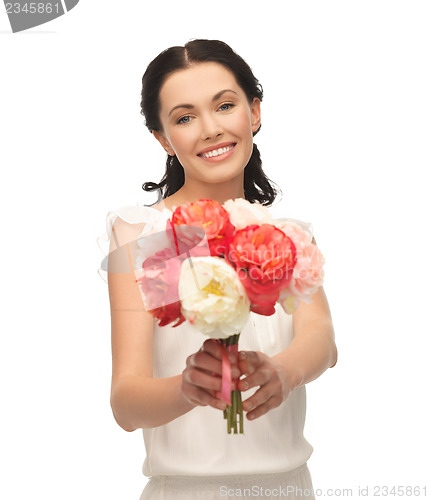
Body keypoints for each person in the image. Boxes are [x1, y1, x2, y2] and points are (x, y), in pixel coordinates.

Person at [101, 39, 337, 499]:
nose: (210, 129)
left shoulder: (286, 235)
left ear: (254, 113)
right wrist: (187, 389)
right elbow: (125, 403)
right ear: (164, 139)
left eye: (224, 106)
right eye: (185, 118)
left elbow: (323, 340)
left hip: (288, 489)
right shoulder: (143, 235)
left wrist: (285, 371)